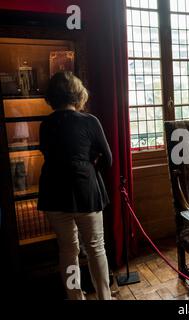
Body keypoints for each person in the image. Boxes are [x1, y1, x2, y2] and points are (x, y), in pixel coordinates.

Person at [38, 71, 113, 300]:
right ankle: (104, 297)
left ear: (52, 96)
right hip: (85, 192)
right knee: (95, 249)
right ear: (78, 94)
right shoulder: (90, 121)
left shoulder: (46, 124)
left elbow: (48, 153)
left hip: (53, 193)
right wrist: (89, 166)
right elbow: (108, 159)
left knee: (68, 251)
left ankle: (75, 297)